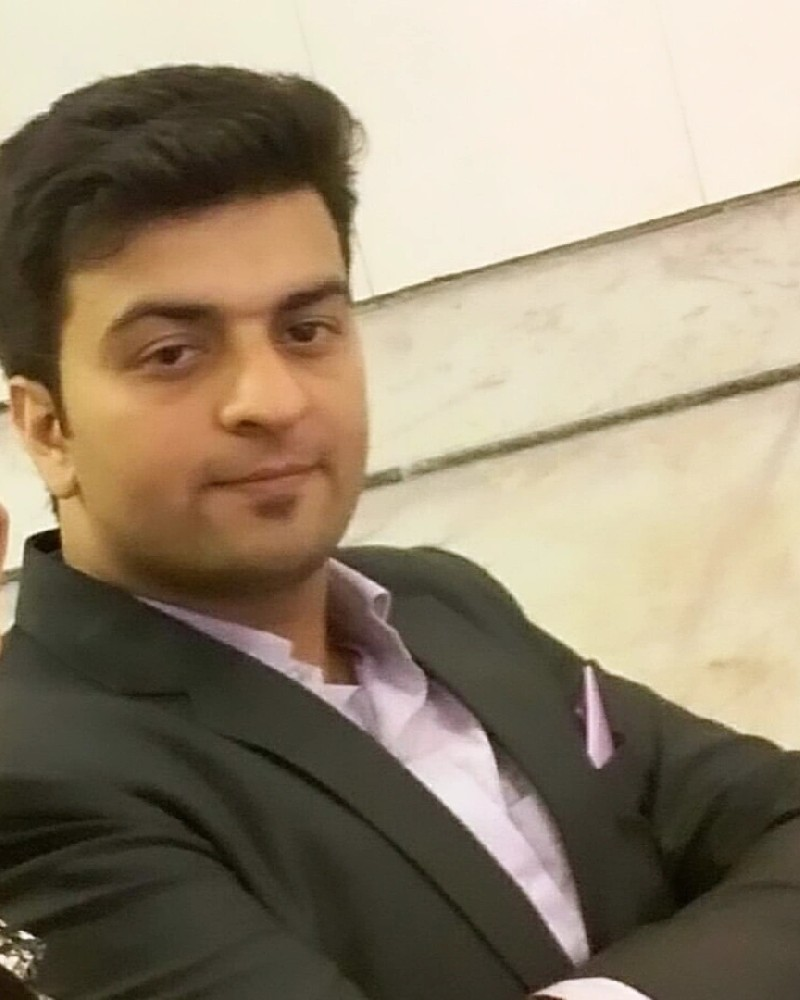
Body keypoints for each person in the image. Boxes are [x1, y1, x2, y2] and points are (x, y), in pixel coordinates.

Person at [0, 65, 798, 1000]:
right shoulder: (35, 769)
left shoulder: (440, 601)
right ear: (47, 429)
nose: (273, 400)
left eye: (307, 330)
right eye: (173, 354)